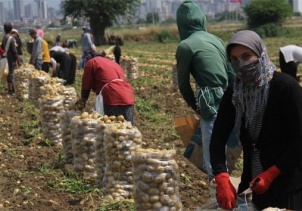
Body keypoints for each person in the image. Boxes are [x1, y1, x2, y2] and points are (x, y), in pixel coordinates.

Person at [210, 30, 302, 210]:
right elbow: (218, 136)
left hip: (288, 181)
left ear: (260, 54)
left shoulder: (285, 87)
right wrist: (221, 175)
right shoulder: (235, 93)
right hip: (253, 182)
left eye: (246, 56)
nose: (241, 64)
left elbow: (300, 139)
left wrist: (273, 172)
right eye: (234, 59)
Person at [175, 0, 235, 184]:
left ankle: (216, 187)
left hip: (208, 98)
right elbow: (231, 73)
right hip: (227, 94)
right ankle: (224, 178)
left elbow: (183, 84)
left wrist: (195, 106)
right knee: (223, 139)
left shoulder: (185, 46)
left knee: (211, 146)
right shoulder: (216, 39)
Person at [75, 51, 135, 125]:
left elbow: (86, 82)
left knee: (110, 127)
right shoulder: (113, 63)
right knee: (127, 127)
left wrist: (83, 98)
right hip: (128, 95)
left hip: (111, 94)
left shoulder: (91, 62)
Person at [1, 23, 21, 95]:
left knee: (7, 72)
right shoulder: (11, 38)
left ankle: (11, 89)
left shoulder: (4, 37)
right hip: (11, 58)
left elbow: (3, 47)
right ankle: (11, 90)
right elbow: (14, 51)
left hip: (5, 57)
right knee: (11, 73)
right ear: (11, 29)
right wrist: (18, 60)